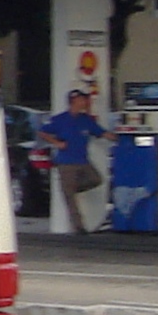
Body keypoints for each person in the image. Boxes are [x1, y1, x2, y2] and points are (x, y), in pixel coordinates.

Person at [38, 88, 111, 233]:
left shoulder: (85, 120)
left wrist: (120, 136)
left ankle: (71, 189)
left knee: (96, 179)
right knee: (70, 199)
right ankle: (79, 227)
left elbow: (101, 132)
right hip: (66, 162)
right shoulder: (60, 119)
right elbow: (42, 132)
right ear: (74, 101)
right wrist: (57, 143)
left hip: (83, 160)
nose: (85, 102)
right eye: (82, 99)